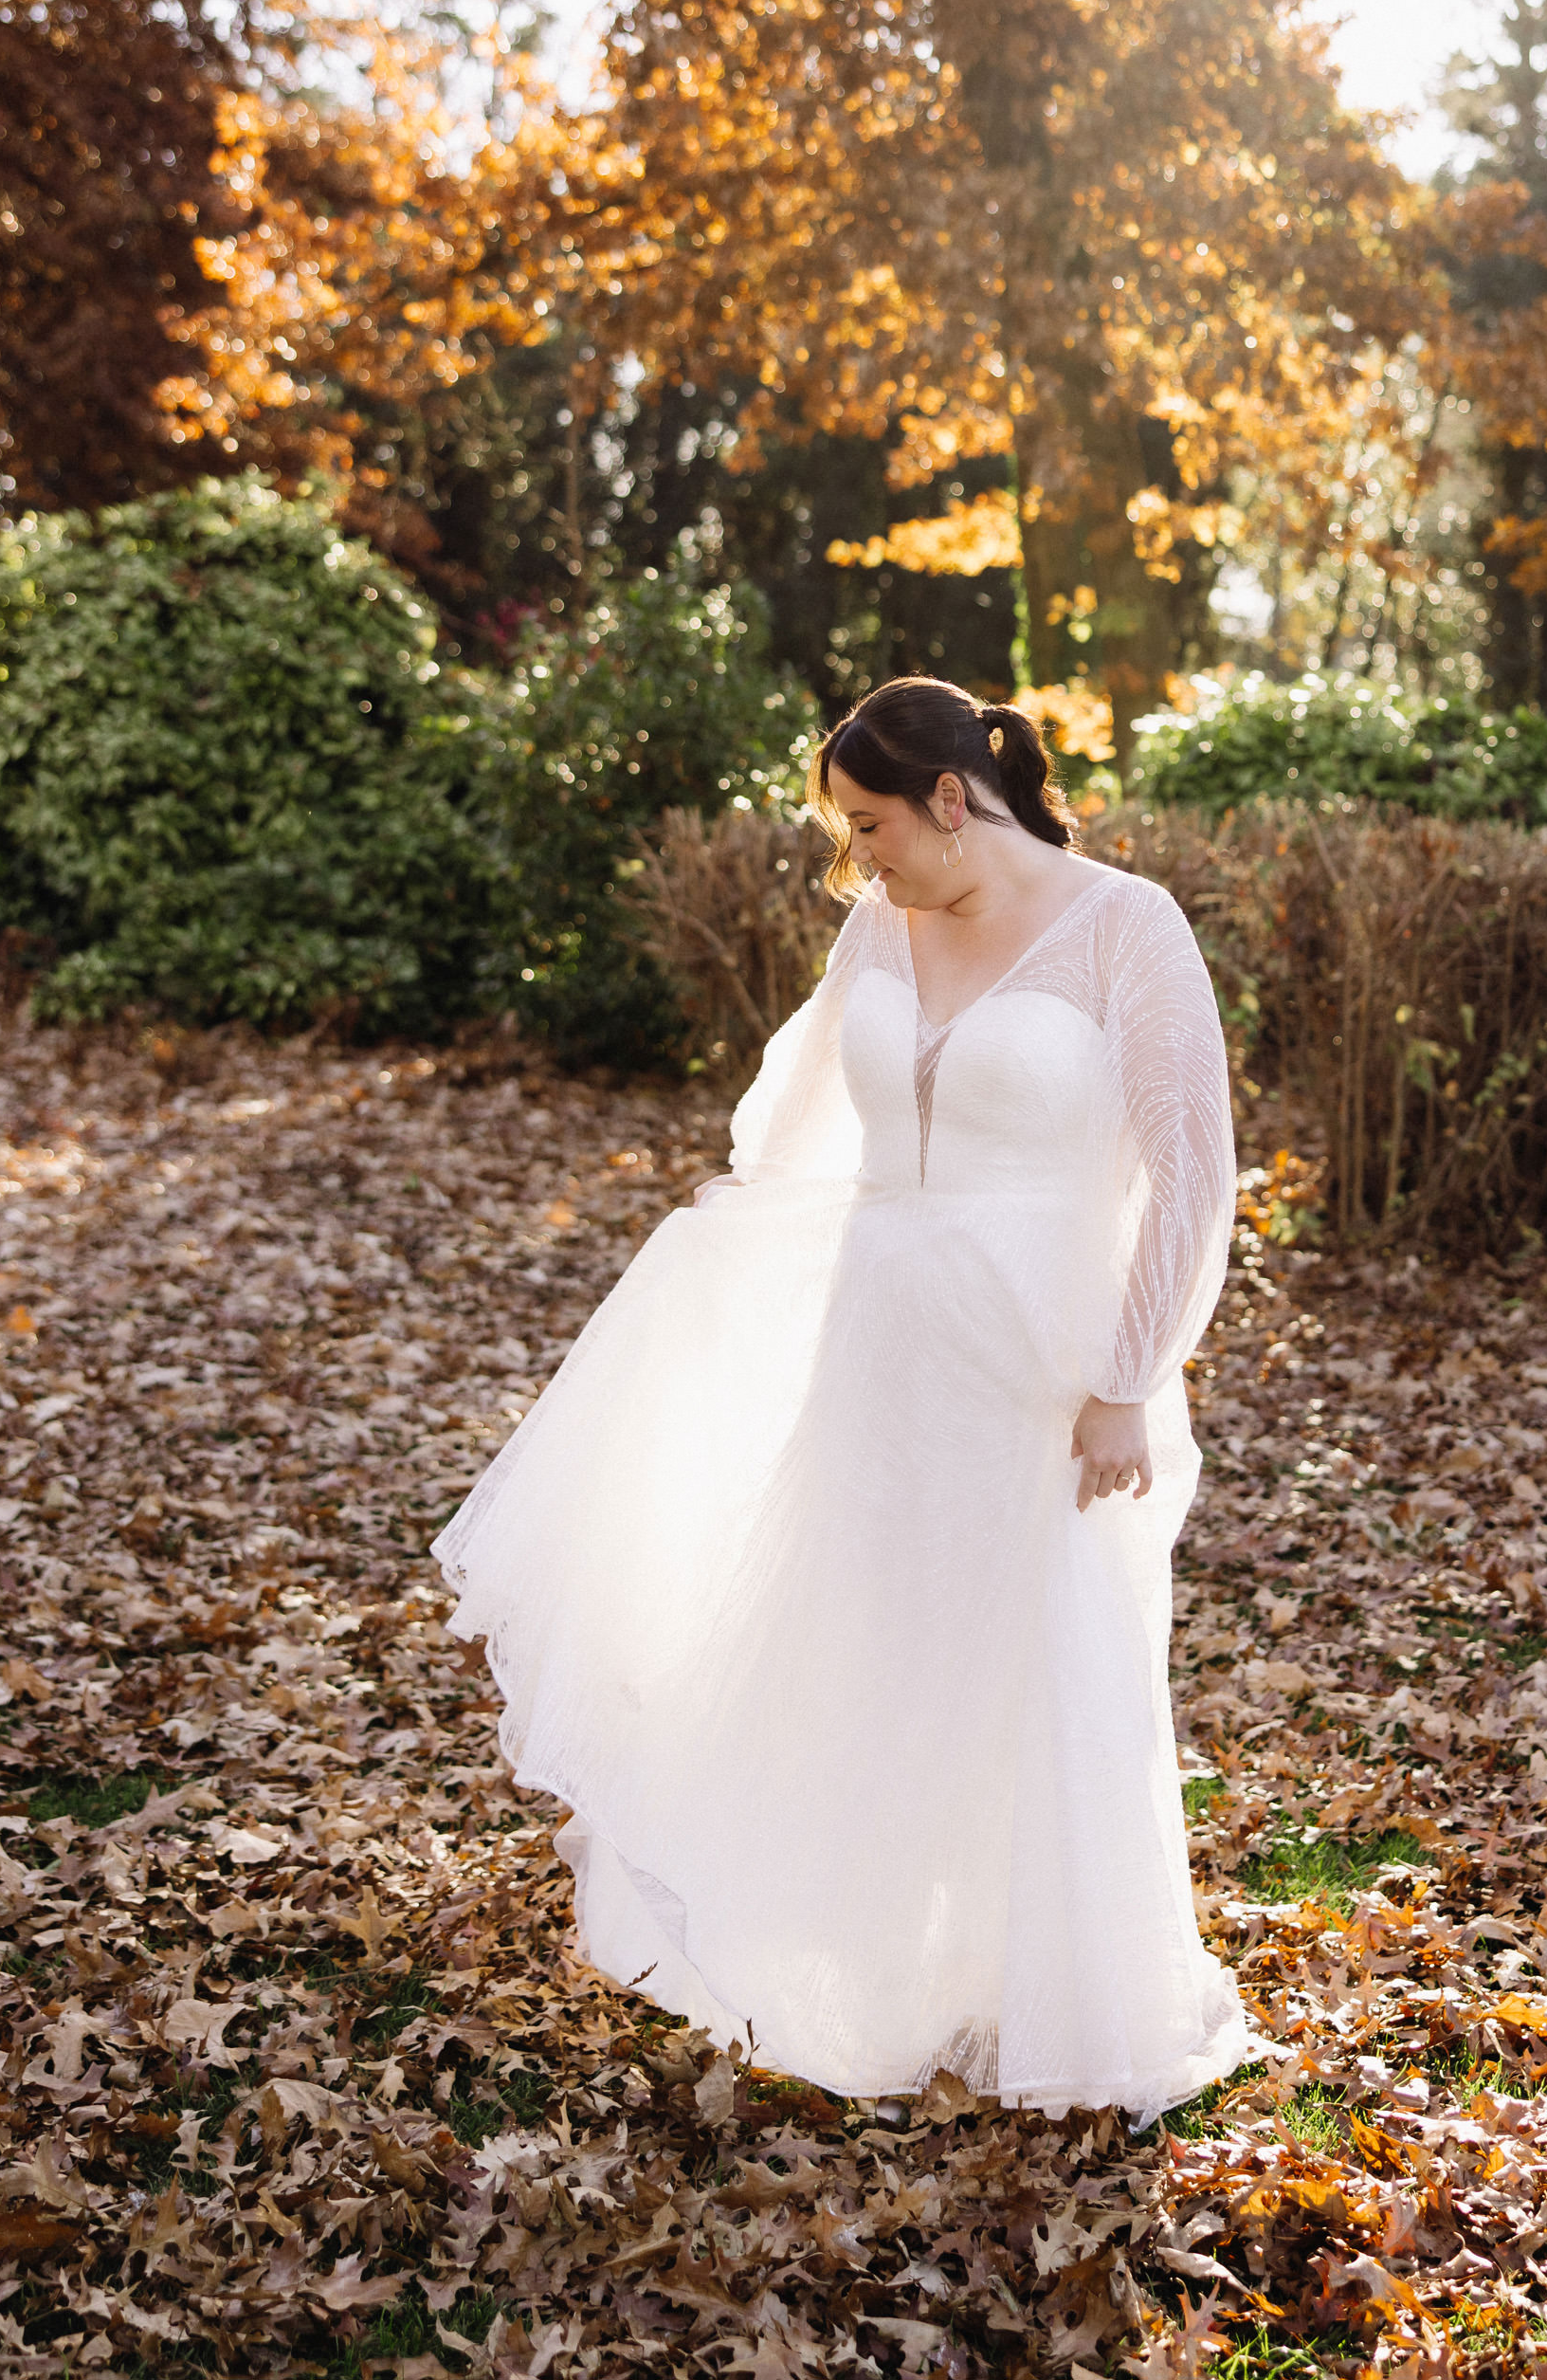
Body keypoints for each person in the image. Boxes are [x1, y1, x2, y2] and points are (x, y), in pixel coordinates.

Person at [433, 676, 1251, 2119]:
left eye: (870, 825)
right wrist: (739, 1244)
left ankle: (1054, 1996)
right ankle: (871, 1971)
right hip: (874, 1351)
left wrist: (1129, 1380)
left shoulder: (1127, 928)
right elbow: (801, 1121)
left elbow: (1192, 1171)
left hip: (1042, 1373)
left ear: (950, 798)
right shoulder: (882, 922)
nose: (854, 857)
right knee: (869, 1640)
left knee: (1038, 1661)